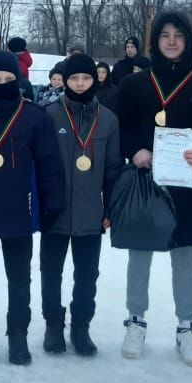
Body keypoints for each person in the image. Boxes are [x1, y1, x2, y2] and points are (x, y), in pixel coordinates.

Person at [115, 13, 192, 366]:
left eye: (179, 35)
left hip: (187, 186)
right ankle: (135, 320)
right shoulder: (135, 84)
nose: (172, 41)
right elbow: (124, 127)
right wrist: (135, 150)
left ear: (190, 40)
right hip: (146, 184)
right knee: (140, 257)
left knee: (184, 261)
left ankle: (187, 326)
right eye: (165, 35)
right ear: (155, 41)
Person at [0, 51, 65, 365]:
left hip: (20, 212)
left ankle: (18, 335)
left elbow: (49, 164)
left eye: (8, 79)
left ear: (17, 80)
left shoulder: (35, 116)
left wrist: (52, 203)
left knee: (20, 281)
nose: (3, 84)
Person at [38, 53, 122, 357]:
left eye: (86, 77)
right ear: (65, 80)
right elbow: (39, 166)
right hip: (55, 212)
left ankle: (81, 326)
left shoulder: (109, 120)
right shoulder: (48, 115)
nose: (80, 83)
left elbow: (113, 169)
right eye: (74, 78)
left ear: (95, 79)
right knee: (51, 271)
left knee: (87, 274)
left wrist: (109, 209)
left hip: (91, 213)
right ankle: (53, 324)